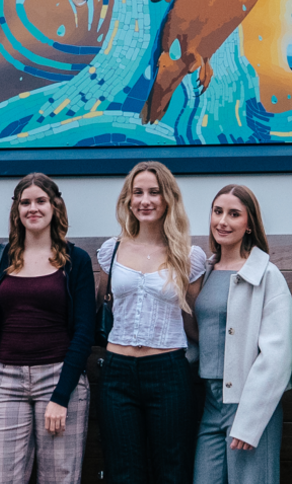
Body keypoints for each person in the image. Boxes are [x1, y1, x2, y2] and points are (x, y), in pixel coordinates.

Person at [96, 161, 208, 484]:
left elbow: (194, 321)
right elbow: (104, 304)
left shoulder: (188, 256)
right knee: (123, 471)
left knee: (172, 470)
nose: (145, 200)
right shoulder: (112, 250)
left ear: (168, 198)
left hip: (168, 372)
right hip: (117, 372)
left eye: (154, 193)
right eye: (138, 193)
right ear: (128, 200)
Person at [0, 173, 96, 483]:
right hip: (5, 380)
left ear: (55, 206)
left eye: (41, 201)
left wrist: (61, 395)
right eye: (25, 202)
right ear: (16, 209)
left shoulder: (76, 260)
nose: (33, 208)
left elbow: (84, 331)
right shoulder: (0, 259)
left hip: (59, 378)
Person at [191, 184, 292, 484]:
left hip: (248, 404)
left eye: (234, 214)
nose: (222, 221)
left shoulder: (266, 275)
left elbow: (277, 355)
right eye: (218, 212)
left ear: (249, 224)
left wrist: (251, 421)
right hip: (211, 403)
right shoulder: (207, 271)